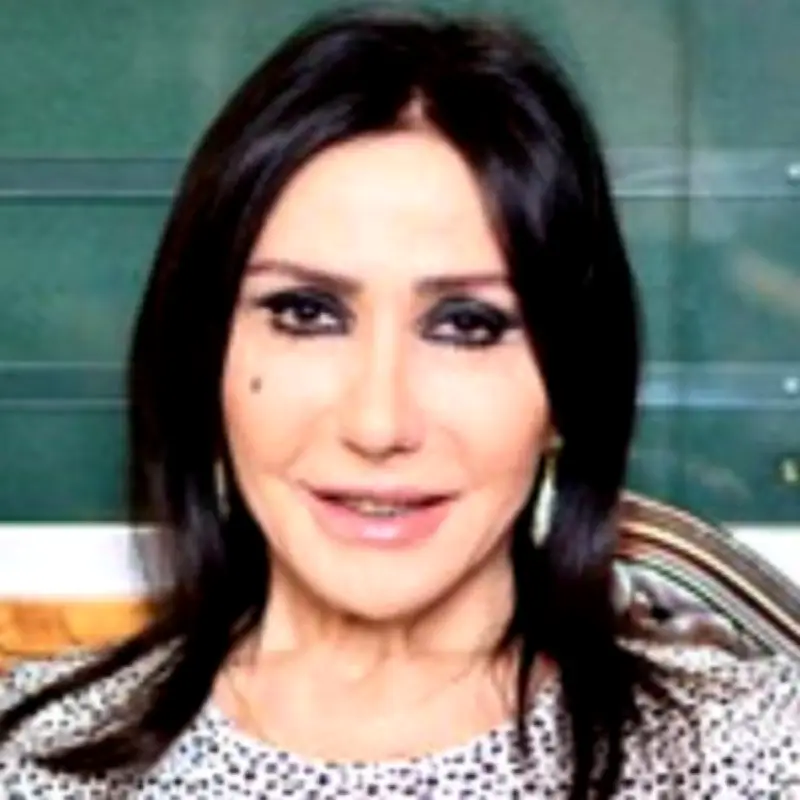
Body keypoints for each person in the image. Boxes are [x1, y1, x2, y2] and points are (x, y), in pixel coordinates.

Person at [1, 6, 798, 798]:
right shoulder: (31, 763)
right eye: (305, 313)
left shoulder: (755, 756)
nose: (378, 424)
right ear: (206, 356)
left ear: (569, 386)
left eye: (468, 324)